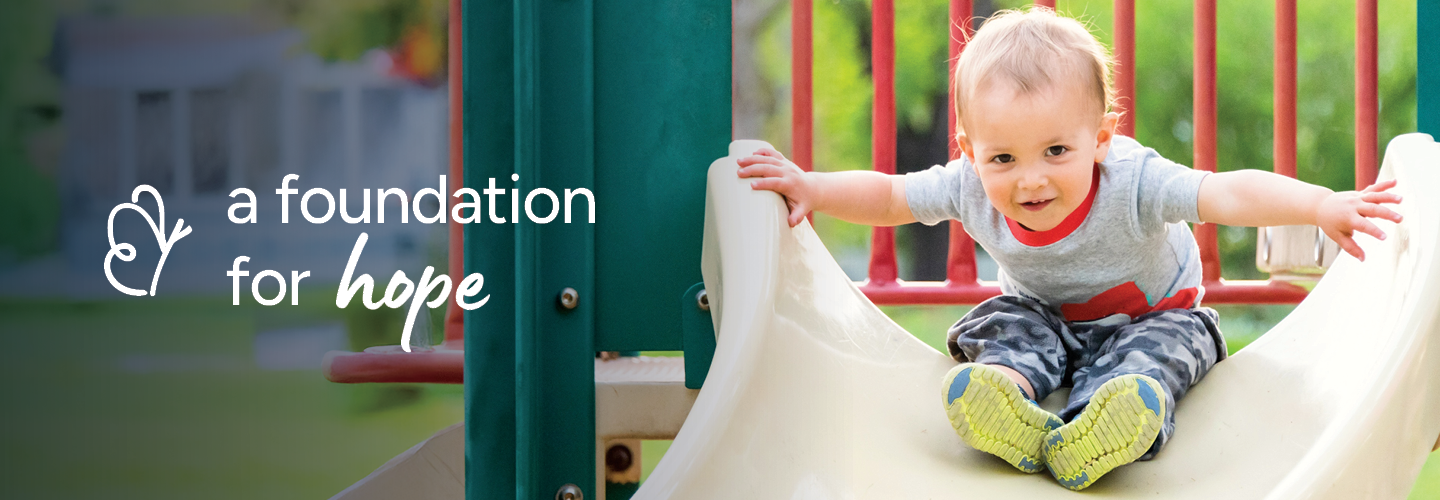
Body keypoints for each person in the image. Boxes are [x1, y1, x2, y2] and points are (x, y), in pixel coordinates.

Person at [735, 6, 1403, 490]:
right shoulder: (969, 185)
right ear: (970, 152)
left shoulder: (1132, 181)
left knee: (1165, 352)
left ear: (1100, 137)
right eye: (1003, 157)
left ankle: (1111, 418)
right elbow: (888, 197)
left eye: (1057, 150)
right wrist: (810, 186)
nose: (1031, 178)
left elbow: (1224, 193)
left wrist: (1321, 204)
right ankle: (1006, 396)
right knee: (1006, 324)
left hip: (1154, 315)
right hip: (1046, 314)